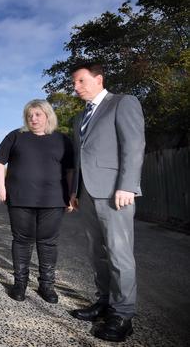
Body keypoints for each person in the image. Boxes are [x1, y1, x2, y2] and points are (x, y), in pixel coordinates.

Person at [68, 61, 145, 342]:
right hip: (88, 193)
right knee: (96, 252)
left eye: (80, 82)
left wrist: (127, 185)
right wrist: (75, 191)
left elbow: (134, 145)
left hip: (115, 193)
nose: (75, 88)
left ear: (98, 79)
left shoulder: (122, 103)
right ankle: (104, 302)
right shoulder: (80, 118)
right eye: (74, 83)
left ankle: (123, 315)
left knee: (118, 253)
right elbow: (80, 158)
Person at [0, 99, 74, 304]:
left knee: (47, 243)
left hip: (54, 200)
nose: (33, 118)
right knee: (22, 241)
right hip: (20, 198)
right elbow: (0, 161)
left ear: (48, 116)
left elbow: (71, 170)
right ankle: (20, 283)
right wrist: (1, 187)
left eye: (38, 114)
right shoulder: (16, 136)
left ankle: (47, 285)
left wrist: (72, 194)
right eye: (30, 115)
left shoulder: (62, 140)